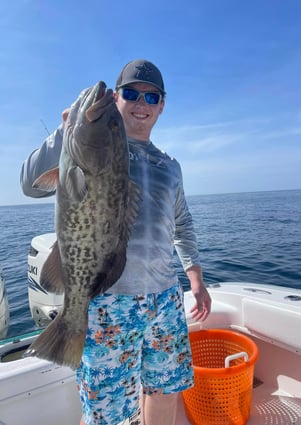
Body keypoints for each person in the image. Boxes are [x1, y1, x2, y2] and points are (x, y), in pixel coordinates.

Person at [20, 59, 212, 425]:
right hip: (108, 302)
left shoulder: (170, 166)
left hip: (165, 299)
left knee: (165, 388)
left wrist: (196, 278)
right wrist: (64, 133)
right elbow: (30, 184)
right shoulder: (81, 152)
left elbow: (182, 224)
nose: (141, 103)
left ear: (161, 105)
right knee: (104, 412)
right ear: (117, 98)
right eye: (131, 93)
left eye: (151, 96)